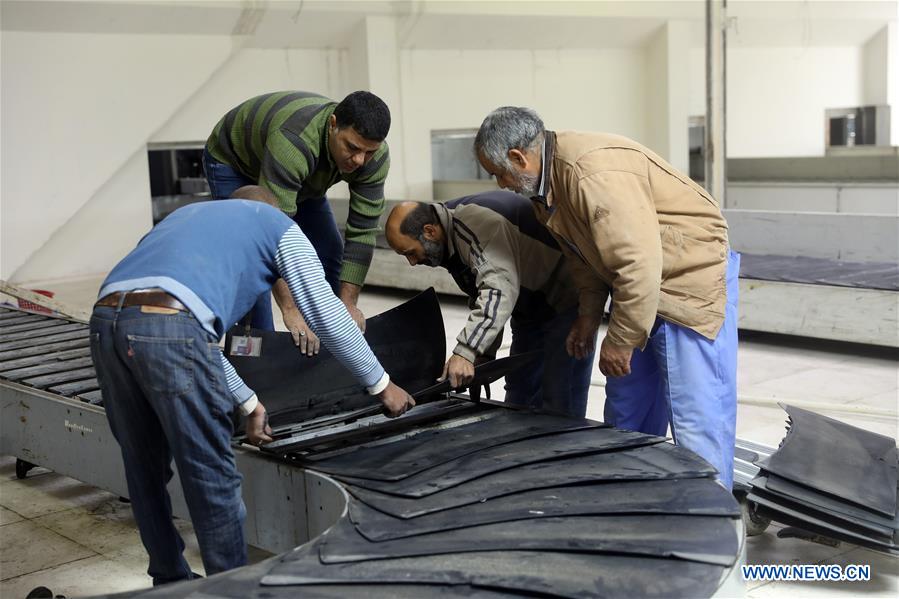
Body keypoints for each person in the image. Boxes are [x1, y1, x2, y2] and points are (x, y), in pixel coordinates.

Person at [89, 185, 415, 585]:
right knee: (211, 476)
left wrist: (249, 403)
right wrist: (382, 384)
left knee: (143, 468)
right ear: (278, 211)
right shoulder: (276, 224)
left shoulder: (183, 219)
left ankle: (169, 580)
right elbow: (325, 313)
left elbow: (189, 331)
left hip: (106, 321)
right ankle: (231, 589)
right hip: (171, 326)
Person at [474, 107, 740, 489]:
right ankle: (632, 503)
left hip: (688, 279)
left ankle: (713, 523)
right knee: (627, 411)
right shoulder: (547, 185)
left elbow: (637, 263)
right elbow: (585, 255)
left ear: (519, 157)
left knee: (696, 415)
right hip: (642, 288)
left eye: (498, 172)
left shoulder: (590, 173)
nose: (500, 183)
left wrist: (620, 340)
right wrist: (588, 314)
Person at [204, 90, 392, 343]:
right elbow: (270, 236)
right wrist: (290, 310)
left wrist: (348, 303)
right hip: (235, 161)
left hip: (301, 175)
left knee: (329, 249)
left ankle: (330, 336)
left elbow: (363, 231)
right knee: (252, 263)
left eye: (368, 152)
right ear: (333, 125)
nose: (360, 160)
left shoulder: (374, 157)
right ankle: (259, 352)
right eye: (352, 147)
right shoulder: (294, 142)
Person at [385, 191, 595, 417]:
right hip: (530, 306)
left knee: (560, 399)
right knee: (520, 394)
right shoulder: (446, 232)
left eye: (410, 253)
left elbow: (498, 290)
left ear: (429, 231)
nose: (413, 262)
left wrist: (466, 352)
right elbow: (482, 292)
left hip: (569, 298)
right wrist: (483, 356)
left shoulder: (474, 225)